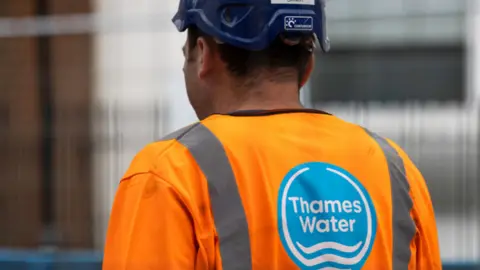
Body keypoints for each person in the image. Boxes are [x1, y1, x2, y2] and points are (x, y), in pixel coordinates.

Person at [102, 0, 442, 269]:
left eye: (185, 56)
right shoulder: (397, 173)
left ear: (203, 56)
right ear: (307, 66)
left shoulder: (168, 175)